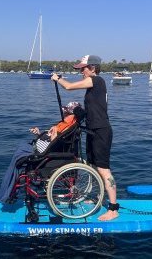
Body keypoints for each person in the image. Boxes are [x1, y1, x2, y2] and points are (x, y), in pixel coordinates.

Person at [51, 55, 118, 221]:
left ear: (93, 68)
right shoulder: (92, 86)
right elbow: (93, 110)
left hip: (102, 131)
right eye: (80, 69)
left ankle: (113, 208)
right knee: (94, 166)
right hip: (92, 130)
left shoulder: (97, 80)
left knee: (104, 169)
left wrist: (58, 78)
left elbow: (69, 87)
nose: (81, 71)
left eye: (83, 68)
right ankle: (100, 197)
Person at [0, 101, 81, 204]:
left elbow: (54, 142)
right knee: (20, 150)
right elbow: (51, 141)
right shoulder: (65, 124)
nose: (64, 114)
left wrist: (54, 133)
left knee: (18, 159)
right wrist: (39, 134)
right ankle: (11, 192)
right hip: (43, 149)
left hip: (44, 153)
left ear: (71, 114)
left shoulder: (66, 126)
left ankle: (6, 194)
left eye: (66, 112)